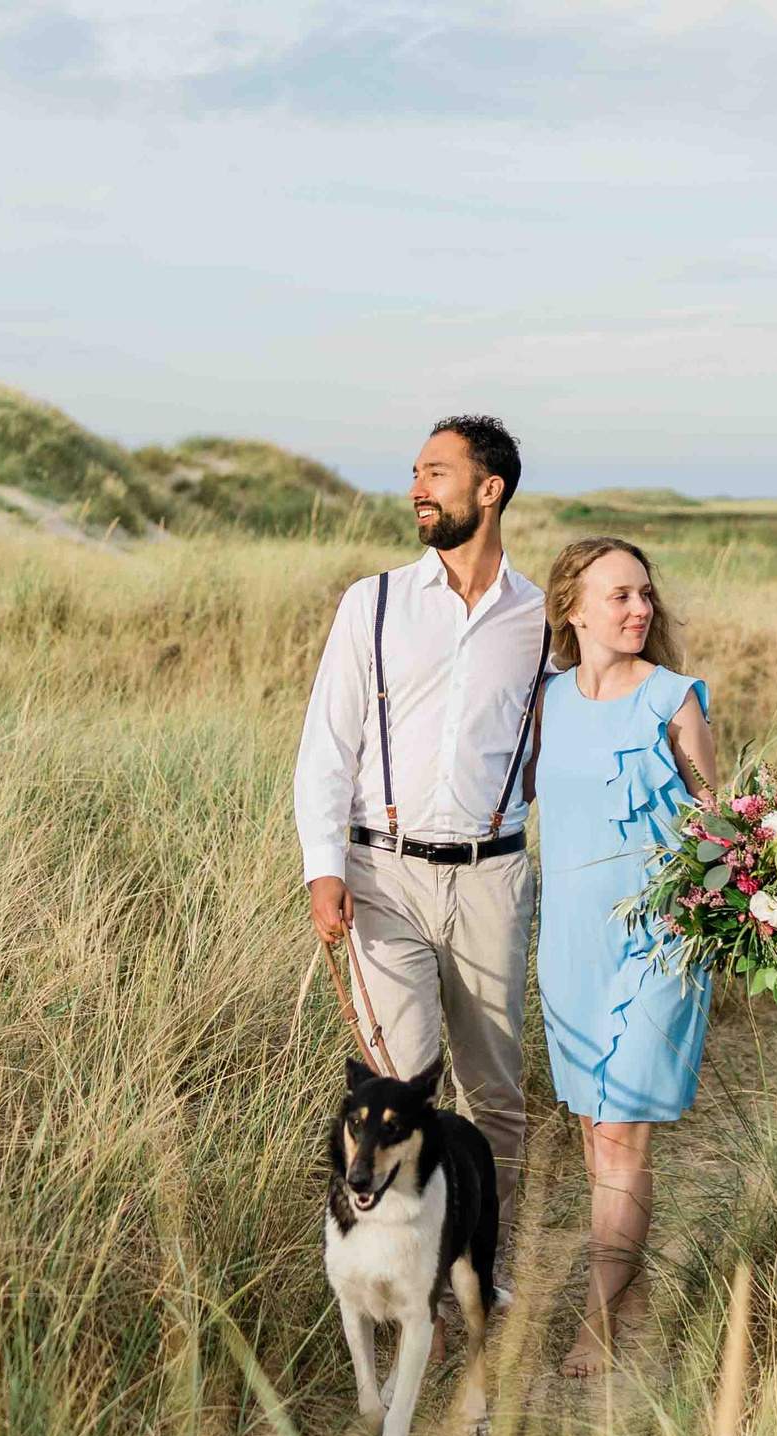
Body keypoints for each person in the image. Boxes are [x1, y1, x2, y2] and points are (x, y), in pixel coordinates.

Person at [295, 415, 550, 1237]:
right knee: (397, 1089)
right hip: (383, 875)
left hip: (493, 876)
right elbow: (327, 745)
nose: (416, 489)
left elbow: (561, 751)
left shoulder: (546, 619)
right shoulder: (372, 604)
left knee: (496, 1094)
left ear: (490, 488)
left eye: (436, 473)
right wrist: (321, 864)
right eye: (415, 472)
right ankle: (409, 1275)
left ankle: (486, 1260)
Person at [533, 536, 717, 1377]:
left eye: (645, 594)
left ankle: (600, 1324)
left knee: (619, 1137)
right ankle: (629, 1288)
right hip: (570, 943)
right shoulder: (545, 701)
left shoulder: (675, 702)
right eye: (619, 596)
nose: (640, 609)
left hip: (658, 944)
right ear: (573, 608)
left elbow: (722, 834)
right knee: (587, 1128)